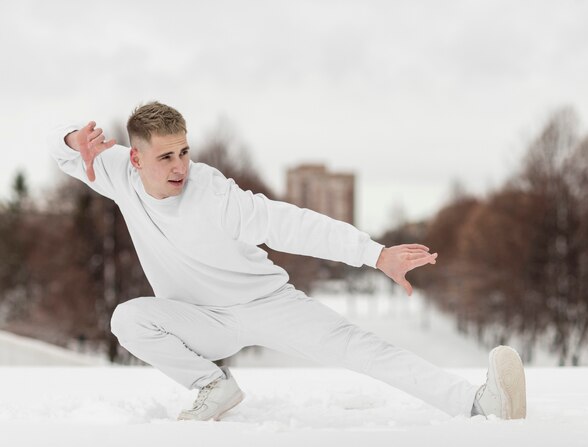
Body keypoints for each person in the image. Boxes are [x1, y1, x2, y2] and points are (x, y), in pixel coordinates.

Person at [48, 101, 526, 422]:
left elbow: (293, 224)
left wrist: (375, 254)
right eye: (166, 156)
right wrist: (74, 140)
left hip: (265, 303)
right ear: (135, 159)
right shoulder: (116, 172)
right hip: (200, 318)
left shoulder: (213, 194)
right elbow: (59, 152)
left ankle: (479, 404)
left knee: (360, 348)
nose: (179, 167)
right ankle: (213, 386)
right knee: (128, 319)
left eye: (185, 152)